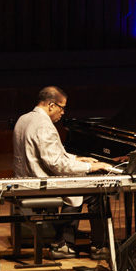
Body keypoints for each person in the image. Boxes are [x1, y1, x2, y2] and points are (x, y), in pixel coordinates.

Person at [13, 86, 113, 260]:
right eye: (62, 107)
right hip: (40, 182)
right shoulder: (44, 125)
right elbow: (56, 164)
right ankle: (99, 246)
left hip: (26, 178)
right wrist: (90, 168)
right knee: (97, 191)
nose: (63, 112)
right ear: (51, 105)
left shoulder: (24, 118)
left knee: (79, 185)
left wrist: (77, 159)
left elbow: (52, 155)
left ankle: (64, 243)